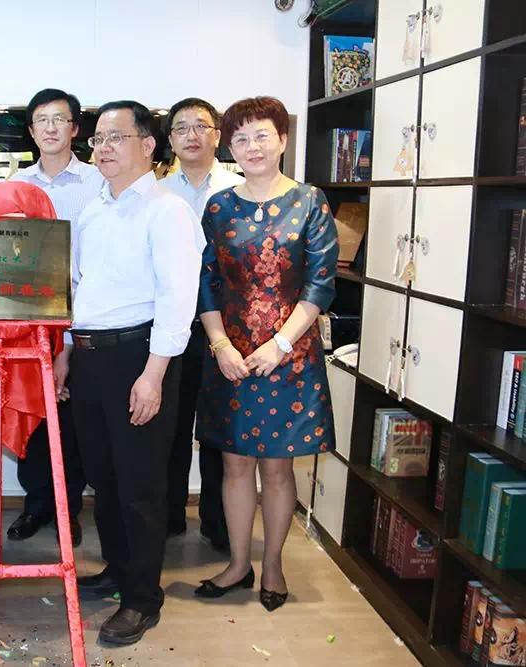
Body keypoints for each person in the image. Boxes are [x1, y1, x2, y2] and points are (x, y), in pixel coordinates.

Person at [59, 101, 200, 646]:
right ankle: (119, 570)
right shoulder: (93, 211)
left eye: (116, 137)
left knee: (140, 483)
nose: (104, 148)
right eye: (98, 139)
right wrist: (67, 353)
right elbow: (80, 289)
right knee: (105, 476)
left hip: (139, 357)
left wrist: (153, 375)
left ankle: (142, 599)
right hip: (91, 357)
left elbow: (177, 299)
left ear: (147, 144)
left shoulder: (167, 211)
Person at [193, 96, 338, 612]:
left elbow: (320, 284)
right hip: (230, 356)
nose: (251, 146)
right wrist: (220, 345)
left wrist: (279, 345)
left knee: (277, 469)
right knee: (234, 465)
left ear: (282, 140)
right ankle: (238, 564)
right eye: (240, 138)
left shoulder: (310, 201)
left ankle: (272, 564)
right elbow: (206, 282)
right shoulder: (219, 206)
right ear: (228, 147)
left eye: (262, 135)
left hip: (289, 356)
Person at [7, 88, 103, 547]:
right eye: (41, 120)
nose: (50, 128)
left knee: (73, 420)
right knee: (33, 416)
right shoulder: (16, 186)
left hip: (85, 318)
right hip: (29, 323)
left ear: (74, 128)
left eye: (59, 119)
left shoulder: (98, 182)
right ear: (31, 130)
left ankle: (69, 509)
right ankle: (37, 505)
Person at [161, 98, 244, 548]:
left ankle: (218, 521)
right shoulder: (156, 193)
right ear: (169, 140)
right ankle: (168, 516)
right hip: (170, 328)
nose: (191, 135)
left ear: (218, 135)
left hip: (226, 331)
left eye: (201, 126)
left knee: (218, 428)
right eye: (181, 128)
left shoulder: (240, 188)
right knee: (170, 426)